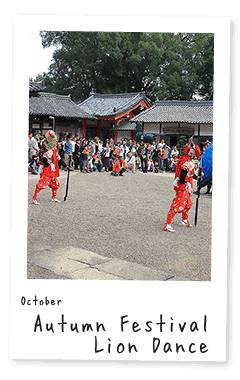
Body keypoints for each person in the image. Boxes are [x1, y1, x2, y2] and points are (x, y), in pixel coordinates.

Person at [162, 137, 200, 232]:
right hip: (183, 186)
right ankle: (167, 224)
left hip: (186, 185)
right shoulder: (187, 161)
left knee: (188, 203)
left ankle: (184, 220)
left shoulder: (185, 159)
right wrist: (183, 182)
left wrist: (196, 178)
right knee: (178, 204)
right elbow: (183, 172)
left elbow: (188, 173)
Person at [31, 130, 68, 204]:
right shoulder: (47, 153)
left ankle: (54, 197)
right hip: (47, 171)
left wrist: (66, 166)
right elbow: (44, 161)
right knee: (41, 184)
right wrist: (49, 163)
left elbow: (59, 160)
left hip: (53, 171)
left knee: (55, 184)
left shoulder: (55, 153)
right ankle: (34, 199)